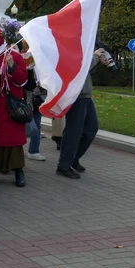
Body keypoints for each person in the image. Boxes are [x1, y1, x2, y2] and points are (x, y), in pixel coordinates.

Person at [0, 28, 29, 187]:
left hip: (9, 105)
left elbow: (22, 80)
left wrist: (11, 65)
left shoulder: (13, 56)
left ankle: (18, 171)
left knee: (13, 141)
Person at [56, 48, 110, 179]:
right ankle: (64, 165)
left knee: (92, 128)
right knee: (73, 131)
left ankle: (73, 158)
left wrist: (97, 58)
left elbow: (85, 67)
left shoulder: (80, 46)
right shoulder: (67, 47)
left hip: (85, 95)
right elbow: (79, 68)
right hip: (76, 96)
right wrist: (95, 57)